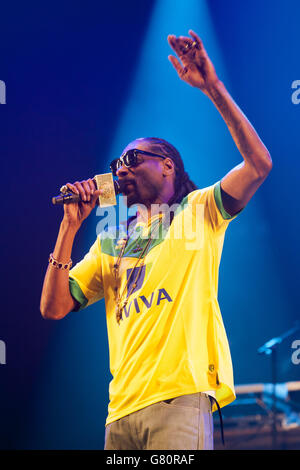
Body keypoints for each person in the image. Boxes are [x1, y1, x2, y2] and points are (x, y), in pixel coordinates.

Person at [40, 30, 272, 450]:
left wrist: (213, 88)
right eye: (117, 162)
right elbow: (53, 308)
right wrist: (69, 227)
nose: (121, 168)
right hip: (120, 414)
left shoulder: (200, 210)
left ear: (167, 166)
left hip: (177, 399)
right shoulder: (111, 239)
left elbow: (258, 165)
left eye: (133, 158)